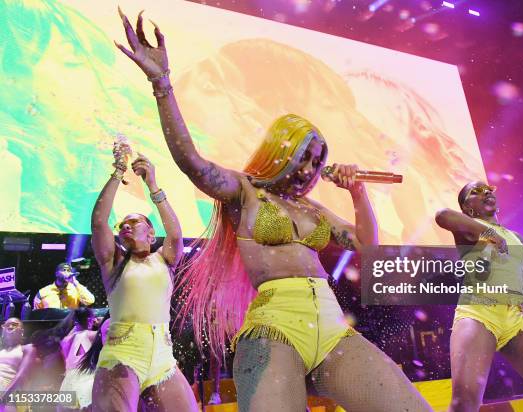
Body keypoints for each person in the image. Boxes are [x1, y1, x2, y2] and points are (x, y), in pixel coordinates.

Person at [115, 10, 431, 412]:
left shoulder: (313, 210)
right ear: (281, 149)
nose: (309, 170)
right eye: (303, 157)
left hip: (332, 328)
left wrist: (357, 192)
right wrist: (162, 84)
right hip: (274, 328)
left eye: (317, 162)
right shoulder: (244, 191)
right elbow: (192, 162)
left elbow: (369, 244)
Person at [435, 181, 523, 411]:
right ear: (467, 208)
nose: (486, 193)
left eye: (488, 190)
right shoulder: (470, 228)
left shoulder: (517, 238)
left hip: (517, 319)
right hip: (479, 314)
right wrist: (487, 231)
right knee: (465, 402)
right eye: (476, 192)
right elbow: (442, 215)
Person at [89, 141, 197, 411]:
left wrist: (153, 185)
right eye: (122, 225)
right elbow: (99, 222)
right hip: (123, 353)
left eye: (134, 222)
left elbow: (175, 235)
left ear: (151, 233)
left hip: (163, 355)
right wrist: (118, 171)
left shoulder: (164, 259)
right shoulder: (113, 263)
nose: (125, 226)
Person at [57, 308, 97, 411]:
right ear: (89, 320)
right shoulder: (92, 335)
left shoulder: (65, 340)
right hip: (86, 382)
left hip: (67, 384)